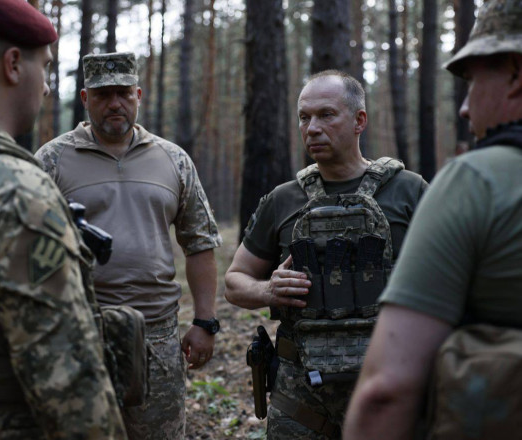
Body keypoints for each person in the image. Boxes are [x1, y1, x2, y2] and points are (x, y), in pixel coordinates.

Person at [0, 0, 126, 439]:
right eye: (46, 67)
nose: (44, 88)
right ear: (14, 64)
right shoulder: (16, 190)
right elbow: (69, 383)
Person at [343, 1, 522, 439]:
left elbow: (387, 390)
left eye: (475, 79)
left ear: (516, 73)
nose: (463, 109)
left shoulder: (478, 180)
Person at [224, 70, 427, 439]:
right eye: (304, 117)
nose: (312, 128)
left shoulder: (409, 192)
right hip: (300, 398)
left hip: (390, 386)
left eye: (326, 115)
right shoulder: (283, 199)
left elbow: (452, 281)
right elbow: (235, 282)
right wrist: (269, 290)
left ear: (359, 120)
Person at [35, 51, 223, 440]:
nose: (114, 103)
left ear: (138, 95)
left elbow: (199, 243)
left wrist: (205, 321)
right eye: (103, 95)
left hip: (157, 335)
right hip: (80, 331)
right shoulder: (51, 160)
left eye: (123, 93)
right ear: (86, 99)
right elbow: (29, 250)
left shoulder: (174, 160)